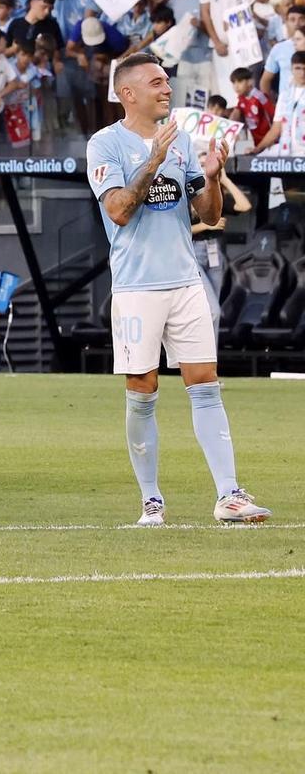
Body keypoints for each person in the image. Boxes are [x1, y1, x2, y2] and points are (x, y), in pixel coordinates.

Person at [89, 54, 268, 525]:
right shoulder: (104, 144)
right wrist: (153, 161)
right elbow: (118, 211)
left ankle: (229, 495)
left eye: (167, 81)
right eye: (157, 82)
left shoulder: (183, 139)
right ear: (128, 93)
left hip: (186, 281)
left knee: (205, 383)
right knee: (142, 388)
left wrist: (211, 179)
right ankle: (151, 499)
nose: (167, 89)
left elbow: (209, 215)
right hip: (137, 286)